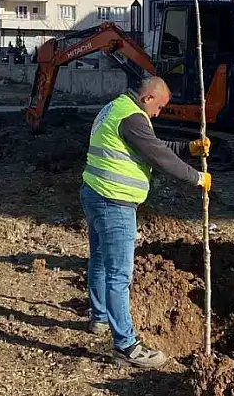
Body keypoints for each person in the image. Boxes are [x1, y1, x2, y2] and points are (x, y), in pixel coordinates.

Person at [81, 76, 212, 369]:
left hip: (95, 193)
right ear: (149, 97)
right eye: (161, 107)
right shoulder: (132, 117)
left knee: (101, 261)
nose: (159, 113)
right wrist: (197, 178)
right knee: (119, 274)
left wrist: (188, 148)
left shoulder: (118, 107)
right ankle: (126, 346)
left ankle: (100, 318)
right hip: (115, 202)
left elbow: (152, 145)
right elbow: (159, 157)